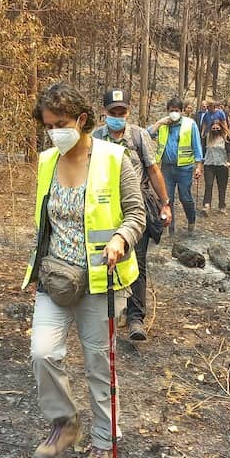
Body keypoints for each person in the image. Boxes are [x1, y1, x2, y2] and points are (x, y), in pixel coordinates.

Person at [24, 82, 146, 458]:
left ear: (81, 120)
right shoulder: (46, 161)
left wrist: (119, 239)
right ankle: (65, 423)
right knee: (42, 353)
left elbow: (136, 216)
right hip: (56, 278)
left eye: (60, 123)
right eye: (48, 126)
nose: (55, 132)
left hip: (101, 283)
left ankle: (103, 440)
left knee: (99, 364)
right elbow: (46, 223)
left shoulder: (114, 158)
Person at [92, 89, 173, 343]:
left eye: (122, 112)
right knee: (107, 259)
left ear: (128, 111)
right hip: (104, 211)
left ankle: (136, 318)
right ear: (104, 112)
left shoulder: (139, 136)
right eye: (113, 112)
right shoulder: (96, 137)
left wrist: (165, 203)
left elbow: (153, 170)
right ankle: (110, 312)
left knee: (137, 262)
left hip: (135, 210)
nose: (118, 116)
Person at [149, 97, 204, 235]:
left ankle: (191, 221)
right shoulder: (163, 124)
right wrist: (160, 122)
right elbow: (148, 134)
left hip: (185, 169)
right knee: (167, 199)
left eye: (177, 111)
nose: (174, 113)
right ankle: (169, 229)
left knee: (185, 198)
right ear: (168, 111)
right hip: (166, 168)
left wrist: (199, 166)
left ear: (182, 111)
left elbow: (197, 146)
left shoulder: (190, 124)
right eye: (172, 111)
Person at [202, 120, 230, 216]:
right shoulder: (207, 137)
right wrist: (200, 161)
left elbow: (229, 151)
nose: (215, 130)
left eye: (217, 128)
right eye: (214, 128)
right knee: (209, 185)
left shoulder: (226, 137)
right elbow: (203, 149)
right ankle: (207, 205)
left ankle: (222, 206)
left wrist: (228, 161)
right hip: (209, 164)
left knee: (222, 186)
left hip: (222, 165)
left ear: (221, 128)